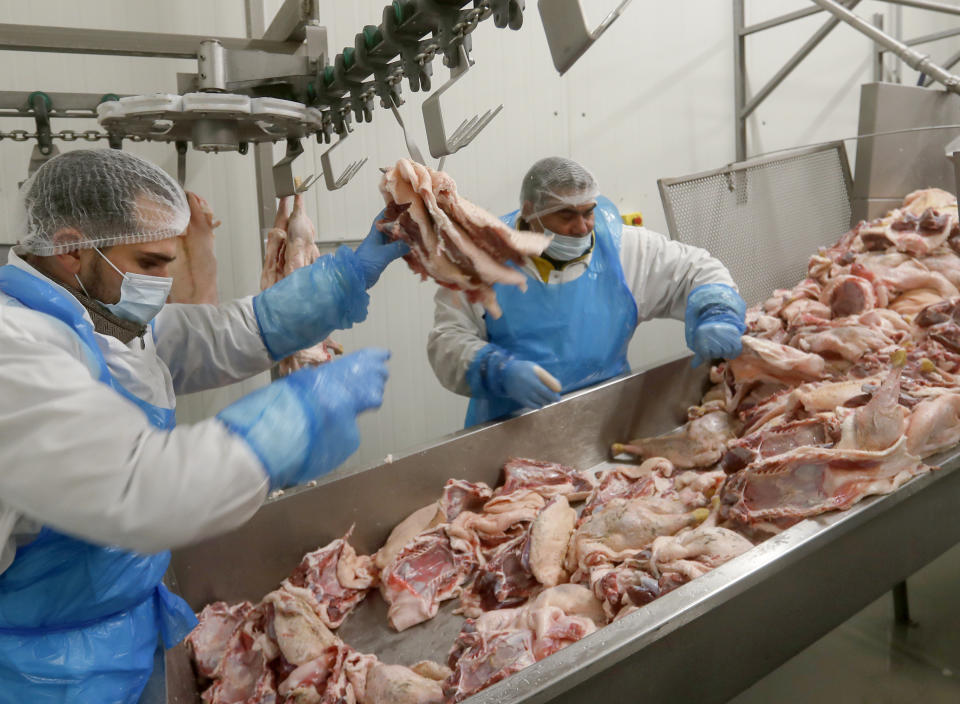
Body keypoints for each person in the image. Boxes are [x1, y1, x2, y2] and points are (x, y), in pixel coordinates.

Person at [0, 149, 407, 703]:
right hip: (38, 672)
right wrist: (291, 420)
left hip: (120, 632)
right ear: (72, 249)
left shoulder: (101, 314)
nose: (165, 283)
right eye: (149, 263)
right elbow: (140, 489)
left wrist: (347, 275)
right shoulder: (13, 350)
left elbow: (234, 331)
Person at [428, 156, 746, 426]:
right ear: (530, 212)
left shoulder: (622, 249)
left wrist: (716, 310)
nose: (581, 227)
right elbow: (448, 340)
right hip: (509, 431)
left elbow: (698, 269)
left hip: (604, 425)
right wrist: (496, 370)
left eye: (588, 212)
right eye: (566, 215)